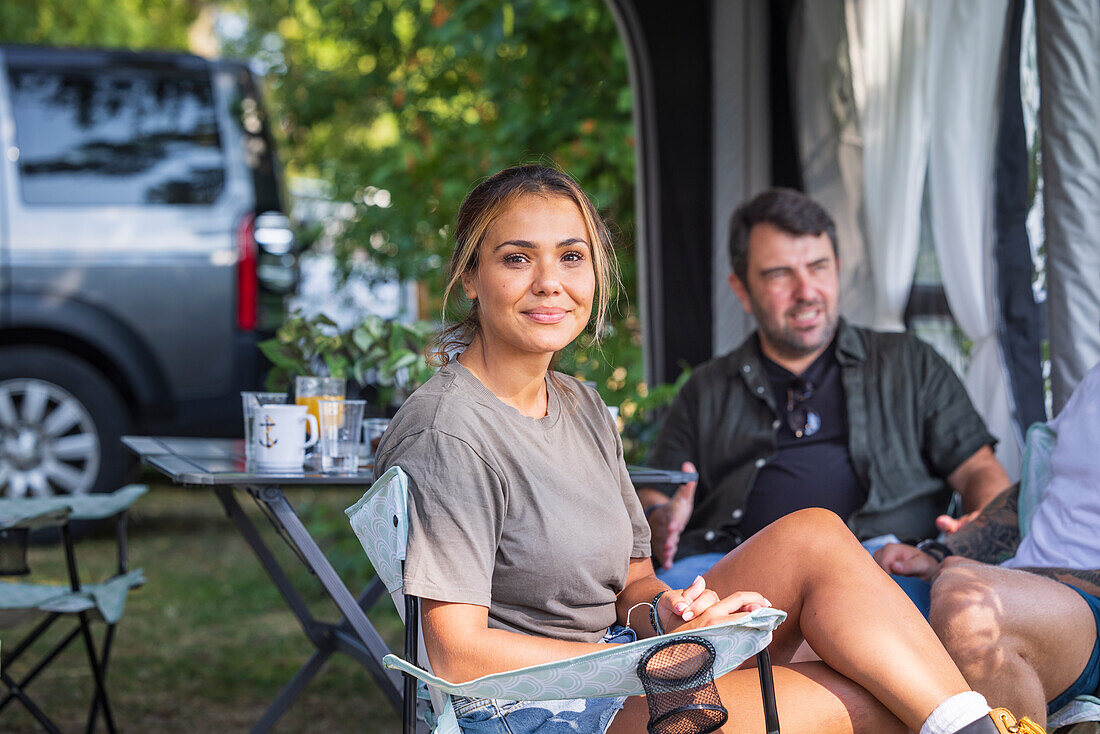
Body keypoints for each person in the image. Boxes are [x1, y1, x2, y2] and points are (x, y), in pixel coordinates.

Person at [374, 164, 1041, 734]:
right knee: (879, 698)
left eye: (571, 256)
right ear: (470, 276)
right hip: (548, 709)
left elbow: (633, 584)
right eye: (517, 257)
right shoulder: (450, 429)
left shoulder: (577, 403)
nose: (550, 281)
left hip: (621, 661)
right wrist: (647, 660)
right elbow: (456, 655)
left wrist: (672, 613)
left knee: (815, 534)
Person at [640, 188, 1011, 595]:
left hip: (882, 563)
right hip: (732, 568)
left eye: (818, 267)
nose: (806, 292)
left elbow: (980, 471)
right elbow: (656, 492)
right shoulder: (706, 388)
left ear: (836, 267)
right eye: (780, 274)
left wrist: (968, 536)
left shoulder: (909, 362)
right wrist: (660, 517)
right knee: (654, 613)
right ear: (742, 289)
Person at [875, 361, 1100, 729]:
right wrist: (938, 555)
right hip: (1010, 584)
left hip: (1084, 614)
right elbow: (1039, 490)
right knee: (843, 600)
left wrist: (988, 578)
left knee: (971, 611)